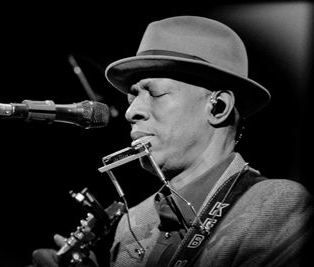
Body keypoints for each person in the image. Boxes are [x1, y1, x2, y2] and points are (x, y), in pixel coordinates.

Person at [31, 16, 313, 267]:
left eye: (154, 93)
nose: (131, 112)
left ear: (218, 107)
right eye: (132, 97)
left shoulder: (277, 207)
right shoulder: (133, 227)